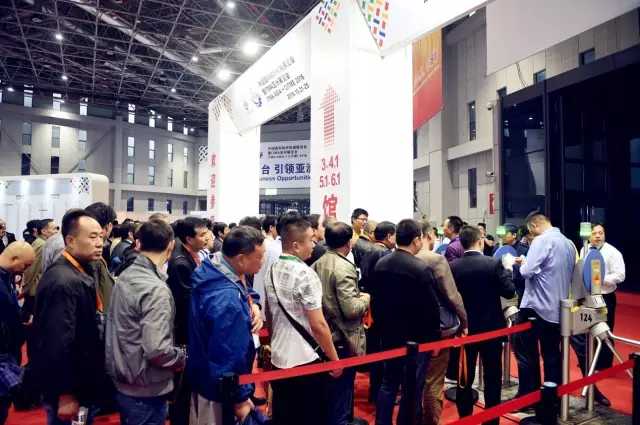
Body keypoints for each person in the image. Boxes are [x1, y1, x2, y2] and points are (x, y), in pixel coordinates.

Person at [106, 220, 186, 425]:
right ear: (170, 245)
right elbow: (157, 350)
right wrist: (182, 357)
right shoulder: (155, 289)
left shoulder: (127, 274)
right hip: (145, 386)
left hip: (125, 376)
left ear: (138, 243)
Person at [31, 209, 107, 425]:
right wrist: (65, 393)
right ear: (70, 240)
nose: (100, 243)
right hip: (69, 390)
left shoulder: (79, 271)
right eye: (92, 237)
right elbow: (57, 341)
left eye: (101, 237)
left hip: (82, 382)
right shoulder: (63, 281)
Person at [264, 215, 341, 425]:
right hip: (305, 359)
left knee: (284, 416)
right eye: (310, 240)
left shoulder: (272, 269)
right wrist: (334, 359)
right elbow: (318, 324)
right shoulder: (306, 274)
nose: (314, 245)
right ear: (296, 245)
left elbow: (270, 314)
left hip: (279, 357)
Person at [189, 226, 266, 425]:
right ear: (241, 259)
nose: (263, 261)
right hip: (219, 389)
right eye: (259, 257)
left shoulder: (215, 267)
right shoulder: (227, 299)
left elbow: (245, 288)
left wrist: (254, 304)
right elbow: (228, 354)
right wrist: (240, 396)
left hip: (206, 376)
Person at [371, 219, 440, 425]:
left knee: (388, 384)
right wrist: (434, 340)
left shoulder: (382, 264)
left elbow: (376, 301)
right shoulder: (420, 268)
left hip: (388, 335)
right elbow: (431, 309)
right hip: (415, 340)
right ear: (417, 240)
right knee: (412, 388)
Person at [450, 226, 515, 424]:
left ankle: (465, 418)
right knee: (492, 376)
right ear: (480, 241)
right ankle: (491, 420)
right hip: (491, 328)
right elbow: (509, 291)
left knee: (464, 377)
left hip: (464, 329)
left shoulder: (453, 266)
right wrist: (508, 270)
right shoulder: (493, 263)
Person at [312, 222, 370, 425]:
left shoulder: (318, 262)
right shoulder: (344, 267)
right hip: (343, 337)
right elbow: (351, 309)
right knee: (341, 391)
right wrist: (366, 298)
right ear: (348, 243)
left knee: (332, 392)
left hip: (326, 335)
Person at [415, 221, 468, 425]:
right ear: (428, 235)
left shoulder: (399, 258)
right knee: (433, 381)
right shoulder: (435, 259)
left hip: (408, 329)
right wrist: (464, 321)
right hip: (437, 329)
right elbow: (452, 296)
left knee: (412, 380)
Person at [518, 212, 575, 396]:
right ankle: (553, 400)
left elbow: (526, 272)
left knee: (526, 354)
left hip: (537, 307)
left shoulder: (541, 240)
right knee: (552, 355)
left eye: (531, 231)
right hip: (559, 309)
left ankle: (529, 395)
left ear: (534, 226)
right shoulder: (568, 243)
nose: (531, 235)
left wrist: (522, 263)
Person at [570, 223, 625, 406]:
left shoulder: (613, 252)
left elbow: (621, 275)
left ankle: (604, 364)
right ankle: (590, 360)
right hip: (587, 296)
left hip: (605, 296)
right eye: (594, 233)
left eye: (601, 233)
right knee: (587, 329)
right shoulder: (584, 249)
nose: (598, 236)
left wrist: (602, 279)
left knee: (605, 329)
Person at [166, 216, 208, 425]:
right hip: (184, 333)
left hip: (191, 332)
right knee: (182, 385)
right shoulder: (180, 263)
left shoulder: (194, 256)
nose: (207, 237)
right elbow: (186, 303)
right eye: (202, 235)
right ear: (189, 239)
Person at [0, 241, 35, 425]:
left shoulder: (6, 277)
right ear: (14, 259)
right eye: (25, 265)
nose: (25, 270)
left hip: (9, 351)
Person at [21, 219, 59, 317]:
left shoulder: (45, 243)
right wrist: (25, 290)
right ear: (44, 231)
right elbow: (31, 269)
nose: (57, 232)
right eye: (54, 229)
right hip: (34, 291)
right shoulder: (42, 245)